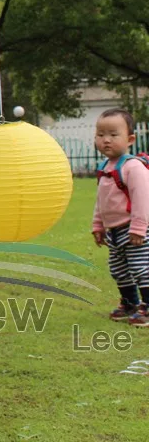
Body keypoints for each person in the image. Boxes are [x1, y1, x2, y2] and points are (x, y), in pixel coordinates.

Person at [91, 108, 149, 326]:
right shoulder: (104, 167)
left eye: (113, 135)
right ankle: (130, 303)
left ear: (130, 139)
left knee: (141, 267)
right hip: (114, 231)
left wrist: (139, 227)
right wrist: (98, 225)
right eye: (100, 135)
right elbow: (101, 201)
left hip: (134, 229)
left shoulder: (132, 167)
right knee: (118, 268)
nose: (106, 140)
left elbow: (144, 198)